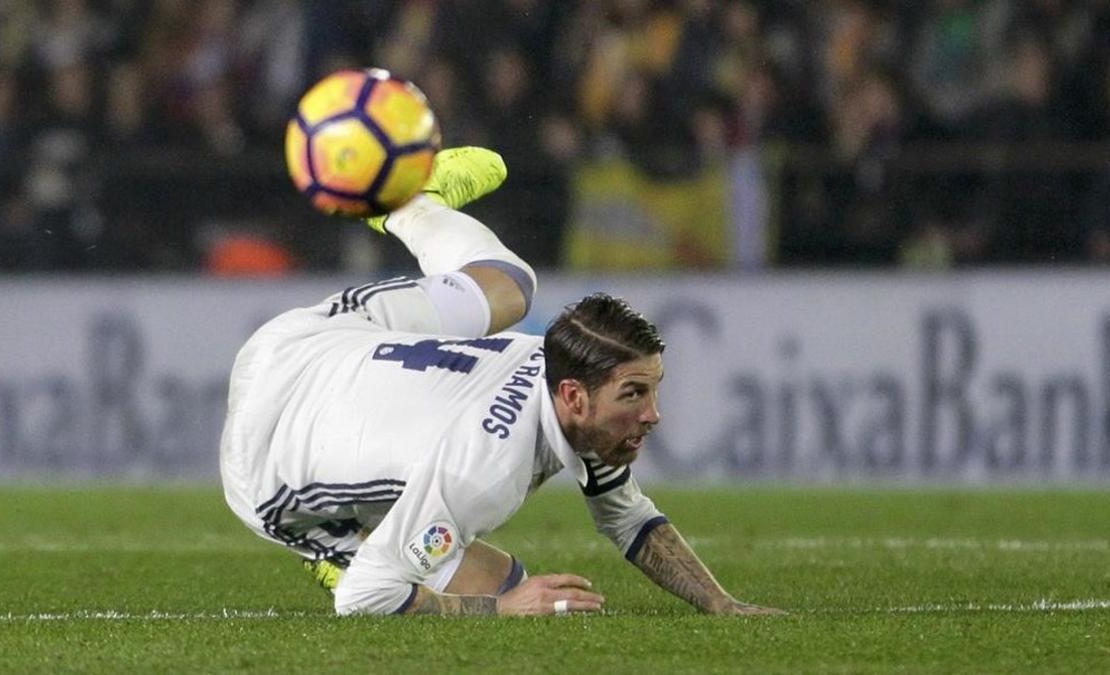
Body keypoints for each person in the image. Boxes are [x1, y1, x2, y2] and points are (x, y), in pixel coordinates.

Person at [219, 146, 781, 617]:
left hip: (308, 338)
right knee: (502, 592)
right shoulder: (483, 470)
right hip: (261, 462)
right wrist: (501, 610)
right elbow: (366, 598)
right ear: (574, 398)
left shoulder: (565, 370)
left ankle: (410, 203)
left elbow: (628, 517)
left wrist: (721, 604)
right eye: (635, 394)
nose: (653, 414)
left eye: (652, 391)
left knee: (510, 287)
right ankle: (342, 543)